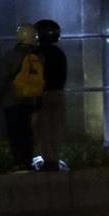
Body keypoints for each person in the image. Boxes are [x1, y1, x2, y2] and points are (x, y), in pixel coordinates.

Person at [0, 23, 43, 172]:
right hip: (31, 101)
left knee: (15, 133)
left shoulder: (10, 55)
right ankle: (27, 162)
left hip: (12, 101)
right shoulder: (39, 56)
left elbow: (2, 79)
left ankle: (19, 163)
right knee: (27, 133)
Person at [34, 19, 67, 171]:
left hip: (44, 94)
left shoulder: (38, 54)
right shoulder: (59, 53)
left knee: (45, 128)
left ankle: (49, 160)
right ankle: (55, 158)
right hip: (58, 93)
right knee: (56, 128)